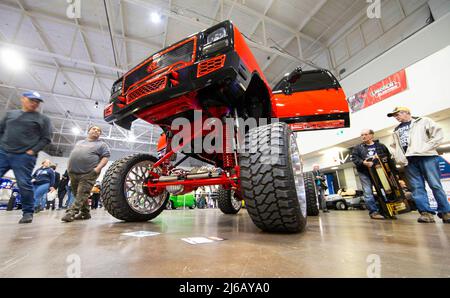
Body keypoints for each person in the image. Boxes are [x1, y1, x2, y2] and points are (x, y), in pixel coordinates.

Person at [388, 107, 449, 223]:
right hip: (409, 161)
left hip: (427, 157)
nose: (396, 117)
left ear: (406, 113)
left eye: (397, 114)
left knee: (435, 185)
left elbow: (438, 134)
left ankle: (446, 212)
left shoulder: (423, 121)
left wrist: (425, 147)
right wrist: (398, 157)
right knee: (417, 188)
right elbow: (394, 146)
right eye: (394, 115)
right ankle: (426, 213)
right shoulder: (396, 130)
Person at [0, 91, 52, 223]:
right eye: (31, 100)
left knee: (24, 184)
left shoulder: (43, 119)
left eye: (37, 102)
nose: (34, 103)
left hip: (24, 157)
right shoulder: (10, 114)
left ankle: (28, 212)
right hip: (4, 153)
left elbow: (46, 139)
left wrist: (32, 151)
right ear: (23, 99)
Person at [61, 126, 110, 222]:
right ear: (88, 131)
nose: (96, 131)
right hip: (73, 172)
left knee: (82, 193)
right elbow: (73, 155)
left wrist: (97, 169)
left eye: (99, 130)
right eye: (94, 129)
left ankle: (72, 212)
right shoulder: (79, 142)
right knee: (77, 193)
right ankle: (85, 212)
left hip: (89, 173)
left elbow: (106, 157)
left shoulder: (102, 145)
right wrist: (68, 167)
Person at [351, 129, 394, 220]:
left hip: (380, 172)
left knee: (384, 191)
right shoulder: (357, 148)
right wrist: (363, 162)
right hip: (364, 172)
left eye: (365, 134)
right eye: (362, 135)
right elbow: (354, 159)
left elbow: (388, 158)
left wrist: (394, 172)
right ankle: (374, 212)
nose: (363, 136)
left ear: (372, 135)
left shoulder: (380, 146)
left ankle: (387, 211)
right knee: (368, 192)